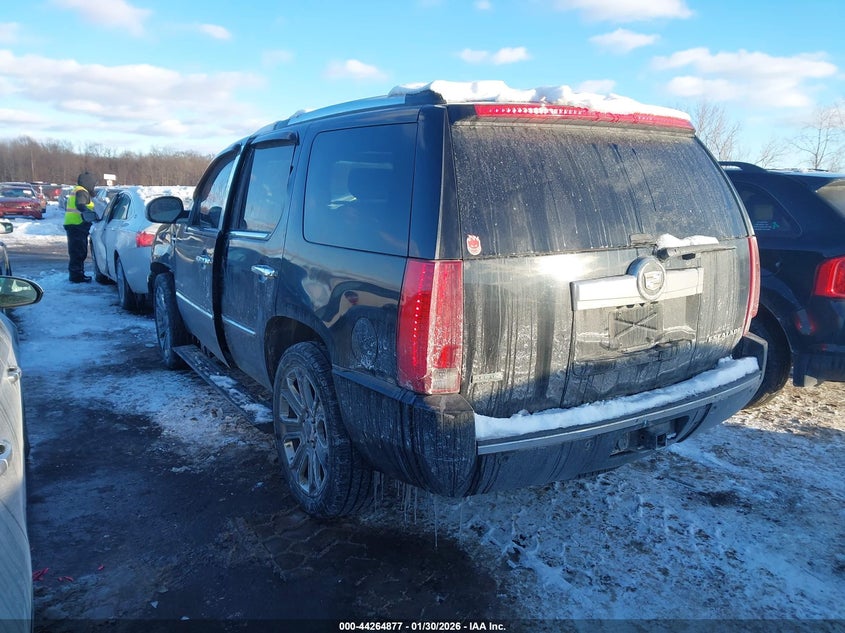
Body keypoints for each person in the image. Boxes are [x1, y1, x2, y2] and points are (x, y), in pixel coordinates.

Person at [64, 171, 98, 283]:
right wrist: (90, 213)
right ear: (88, 183)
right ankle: (77, 276)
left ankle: (77, 274)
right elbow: (80, 205)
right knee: (78, 252)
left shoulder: (78, 190)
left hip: (74, 225)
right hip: (77, 225)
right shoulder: (81, 192)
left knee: (76, 251)